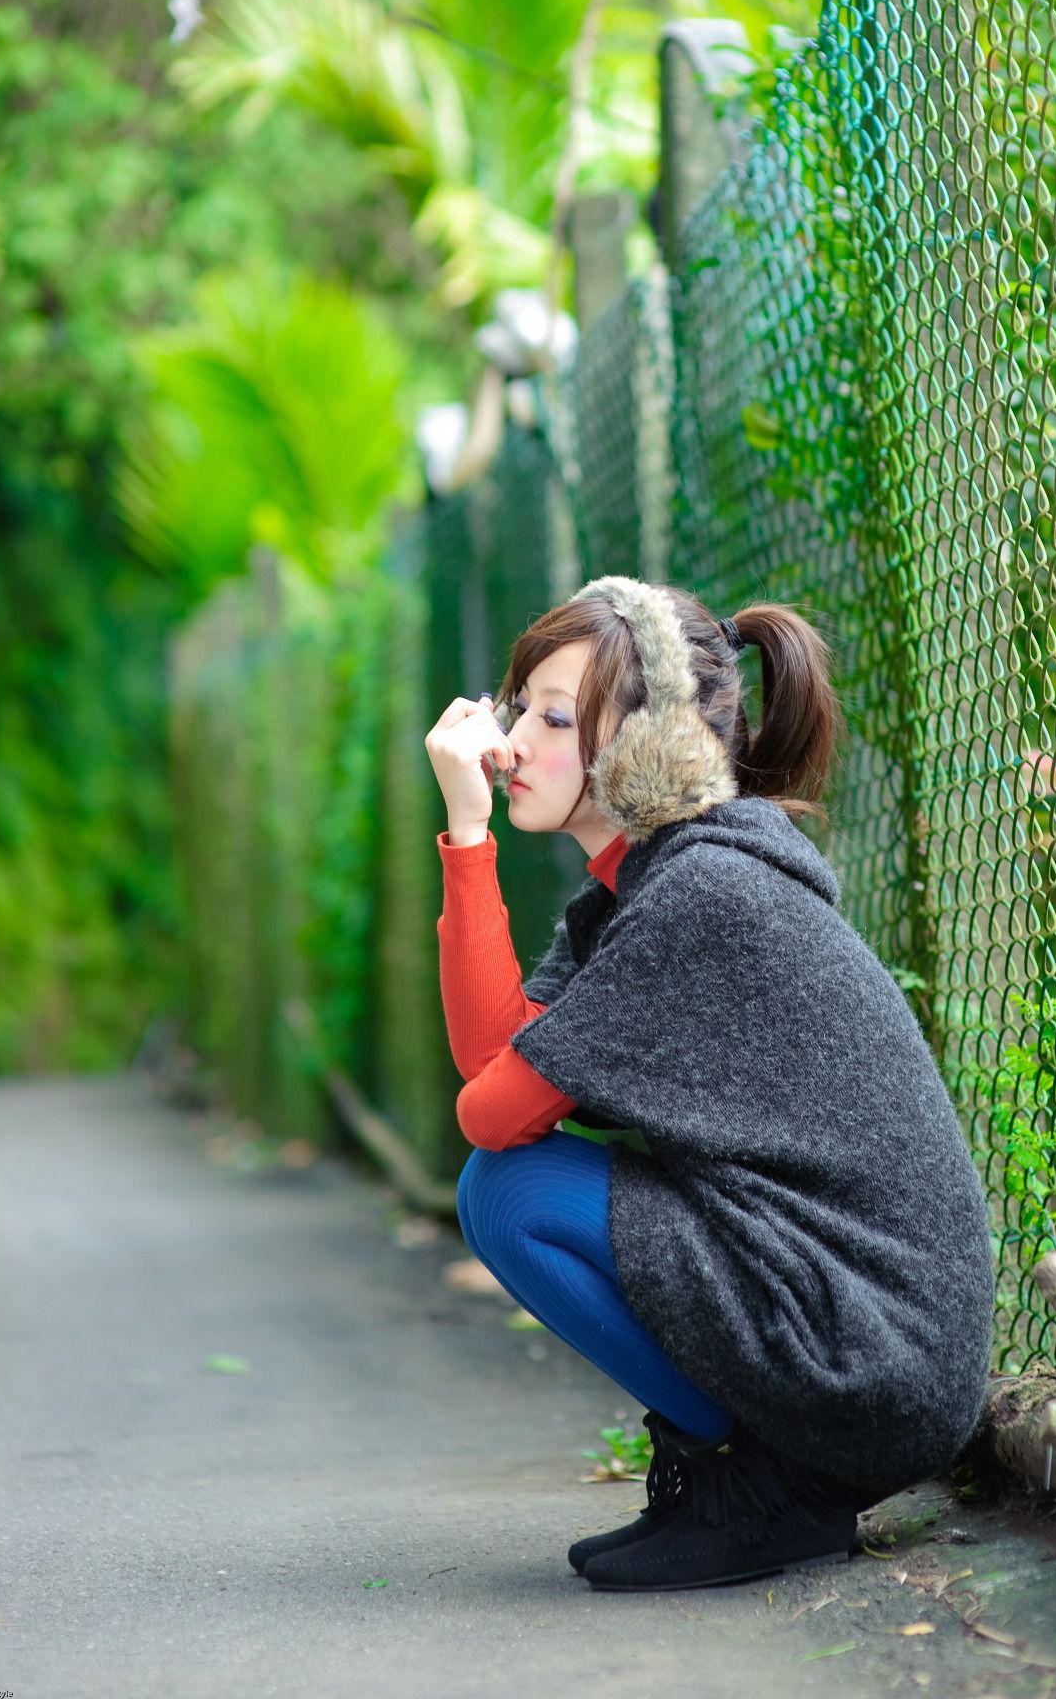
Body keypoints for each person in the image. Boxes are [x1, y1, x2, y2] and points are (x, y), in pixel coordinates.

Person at [423, 574, 995, 1592]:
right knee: (503, 1179)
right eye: (519, 707)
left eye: (554, 718)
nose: (510, 741)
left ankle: (750, 1482)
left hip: (872, 1355)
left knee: (505, 1192)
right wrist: (466, 835)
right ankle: (735, 1471)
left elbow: (491, 1111)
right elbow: (491, 1060)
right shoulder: (639, 889)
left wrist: (472, 833)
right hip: (838, 1316)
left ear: (647, 747)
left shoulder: (699, 895)